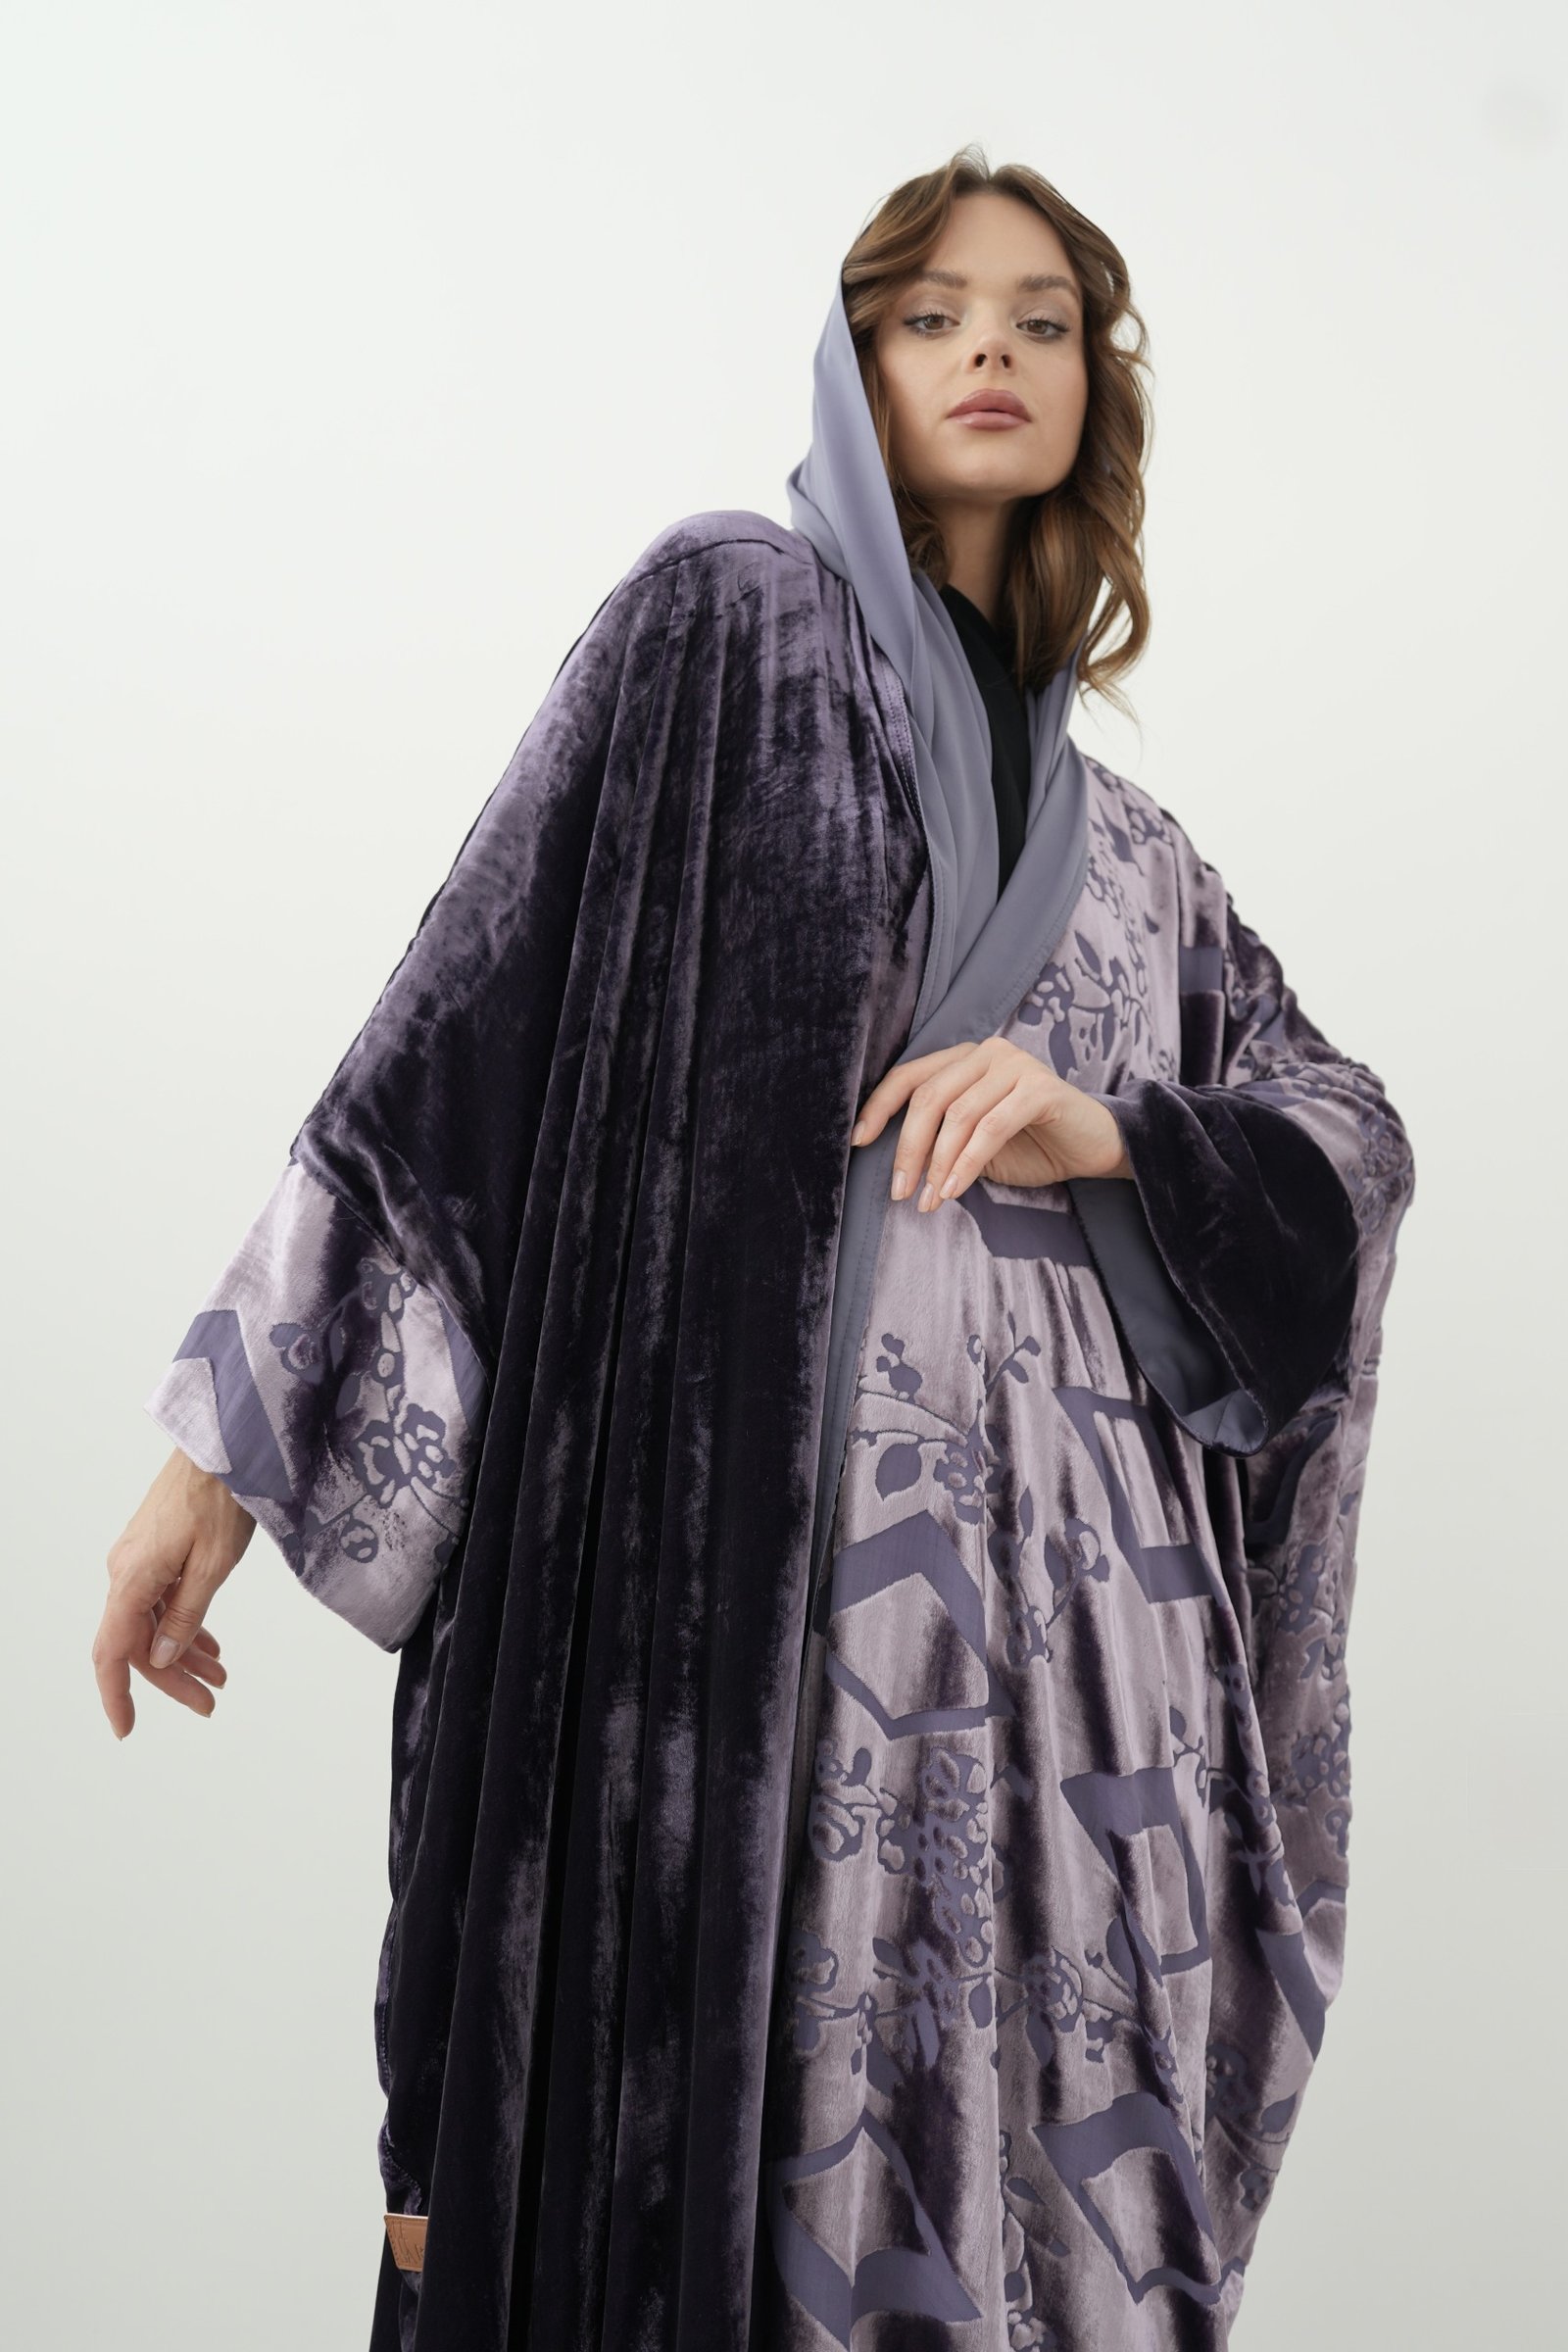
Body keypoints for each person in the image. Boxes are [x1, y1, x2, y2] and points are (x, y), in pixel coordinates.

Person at [96, 146, 1415, 2350]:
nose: (990, 350)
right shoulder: (728, 633)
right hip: (769, 1629)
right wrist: (211, 1466)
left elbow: (1349, 1139)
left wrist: (1108, 1132)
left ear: (1094, 389)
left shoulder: (1142, 863)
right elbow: (461, 1035)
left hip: (1083, 1677)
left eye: (1041, 321)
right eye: (931, 313)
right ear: (852, 362)